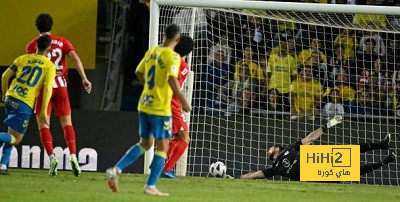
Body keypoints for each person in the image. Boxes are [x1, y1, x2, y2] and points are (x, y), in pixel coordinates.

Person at [106, 24, 192, 196]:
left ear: (163, 36)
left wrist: (149, 87)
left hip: (145, 104)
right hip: (160, 107)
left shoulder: (152, 52)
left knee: (145, 143)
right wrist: (184, 101)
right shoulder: (173, 57)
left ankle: (117, 169)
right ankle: (150, 185)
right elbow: (172, 80)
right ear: (177, 39)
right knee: (162, 147)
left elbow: (138, 72)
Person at [26, 13, 92, 177]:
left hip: (43, 87)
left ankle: (52, 158)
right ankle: (73, 157)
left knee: (44, 125)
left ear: (37, 27)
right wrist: (84, 78)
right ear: (51, 26)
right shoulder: (63, 41)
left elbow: (31, 68)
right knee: (67, 124)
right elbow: (75, 58)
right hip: (61, 84)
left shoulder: (32, 45)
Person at [240, 116, 396, 180]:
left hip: (316, 159)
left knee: (351, 150)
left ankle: (381, 145)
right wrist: (240, 178)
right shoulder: (274, 168)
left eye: (269, 148)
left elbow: (310, 138)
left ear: (277, 149)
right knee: (351, 171)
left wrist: (329, 124)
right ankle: (384, 162)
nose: (268, 150)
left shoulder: (290, 148)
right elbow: (255, 175)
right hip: (314, 173)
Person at [0, 36, 56, 174]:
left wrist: (4, 94)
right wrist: (43, 111)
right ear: (49, 49)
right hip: (24, 103)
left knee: (11, 132)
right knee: (16, 139)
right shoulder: (49, 66)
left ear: (36, 45)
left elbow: (4, 77)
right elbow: (48, 88)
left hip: (10, 96)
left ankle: (2, 165)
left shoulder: (22, 58)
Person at [162, 35, 194, 178]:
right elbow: (173, 82)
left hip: (164, 102)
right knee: (185, 138)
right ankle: (166, 169)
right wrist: (185, 101)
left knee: (178, 136)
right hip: (172, 104)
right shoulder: (183, 66)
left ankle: (161, 164)